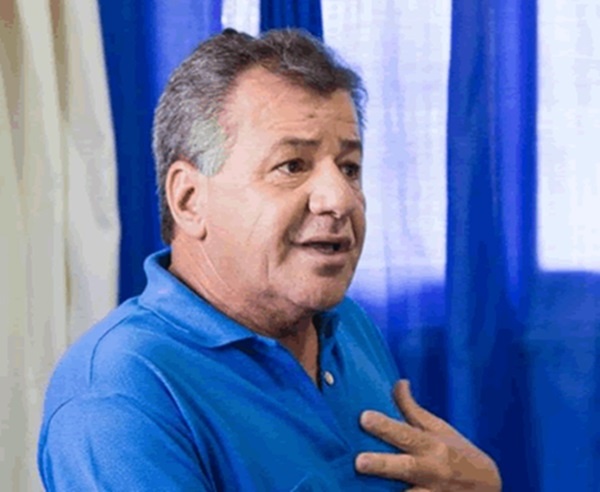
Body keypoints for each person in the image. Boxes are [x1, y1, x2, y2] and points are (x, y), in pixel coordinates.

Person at [38, 28, 501, 491]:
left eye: (349, 168)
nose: (340, 198)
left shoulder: (347, 324)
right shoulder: (119, 395)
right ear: (189, 199)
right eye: (292, 165)